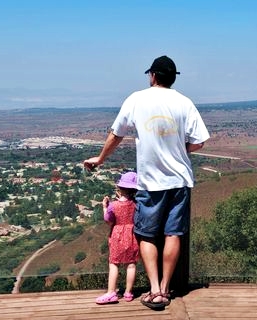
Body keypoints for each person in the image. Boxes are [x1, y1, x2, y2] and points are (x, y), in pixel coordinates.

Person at [84, 55, 210, 310]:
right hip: (179, 180)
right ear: (173, 78)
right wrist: (179, 150)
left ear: (152, 76)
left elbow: (116, 134)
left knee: (146, 235)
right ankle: (165, 289)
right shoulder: (184, 103)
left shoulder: (136, 99)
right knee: (173, 233)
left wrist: (99, 159)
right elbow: (199, 141)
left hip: (151, 183)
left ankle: (153, 290)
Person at [95, 171, 139, 305]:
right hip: (132, 235)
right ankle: (128, 293)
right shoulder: (136, 204)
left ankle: (111, 293)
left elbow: (108, 220)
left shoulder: (113, 205)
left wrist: (104, 207)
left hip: (117, 236)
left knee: (114, 264)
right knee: (131, 265)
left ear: (119, 189)